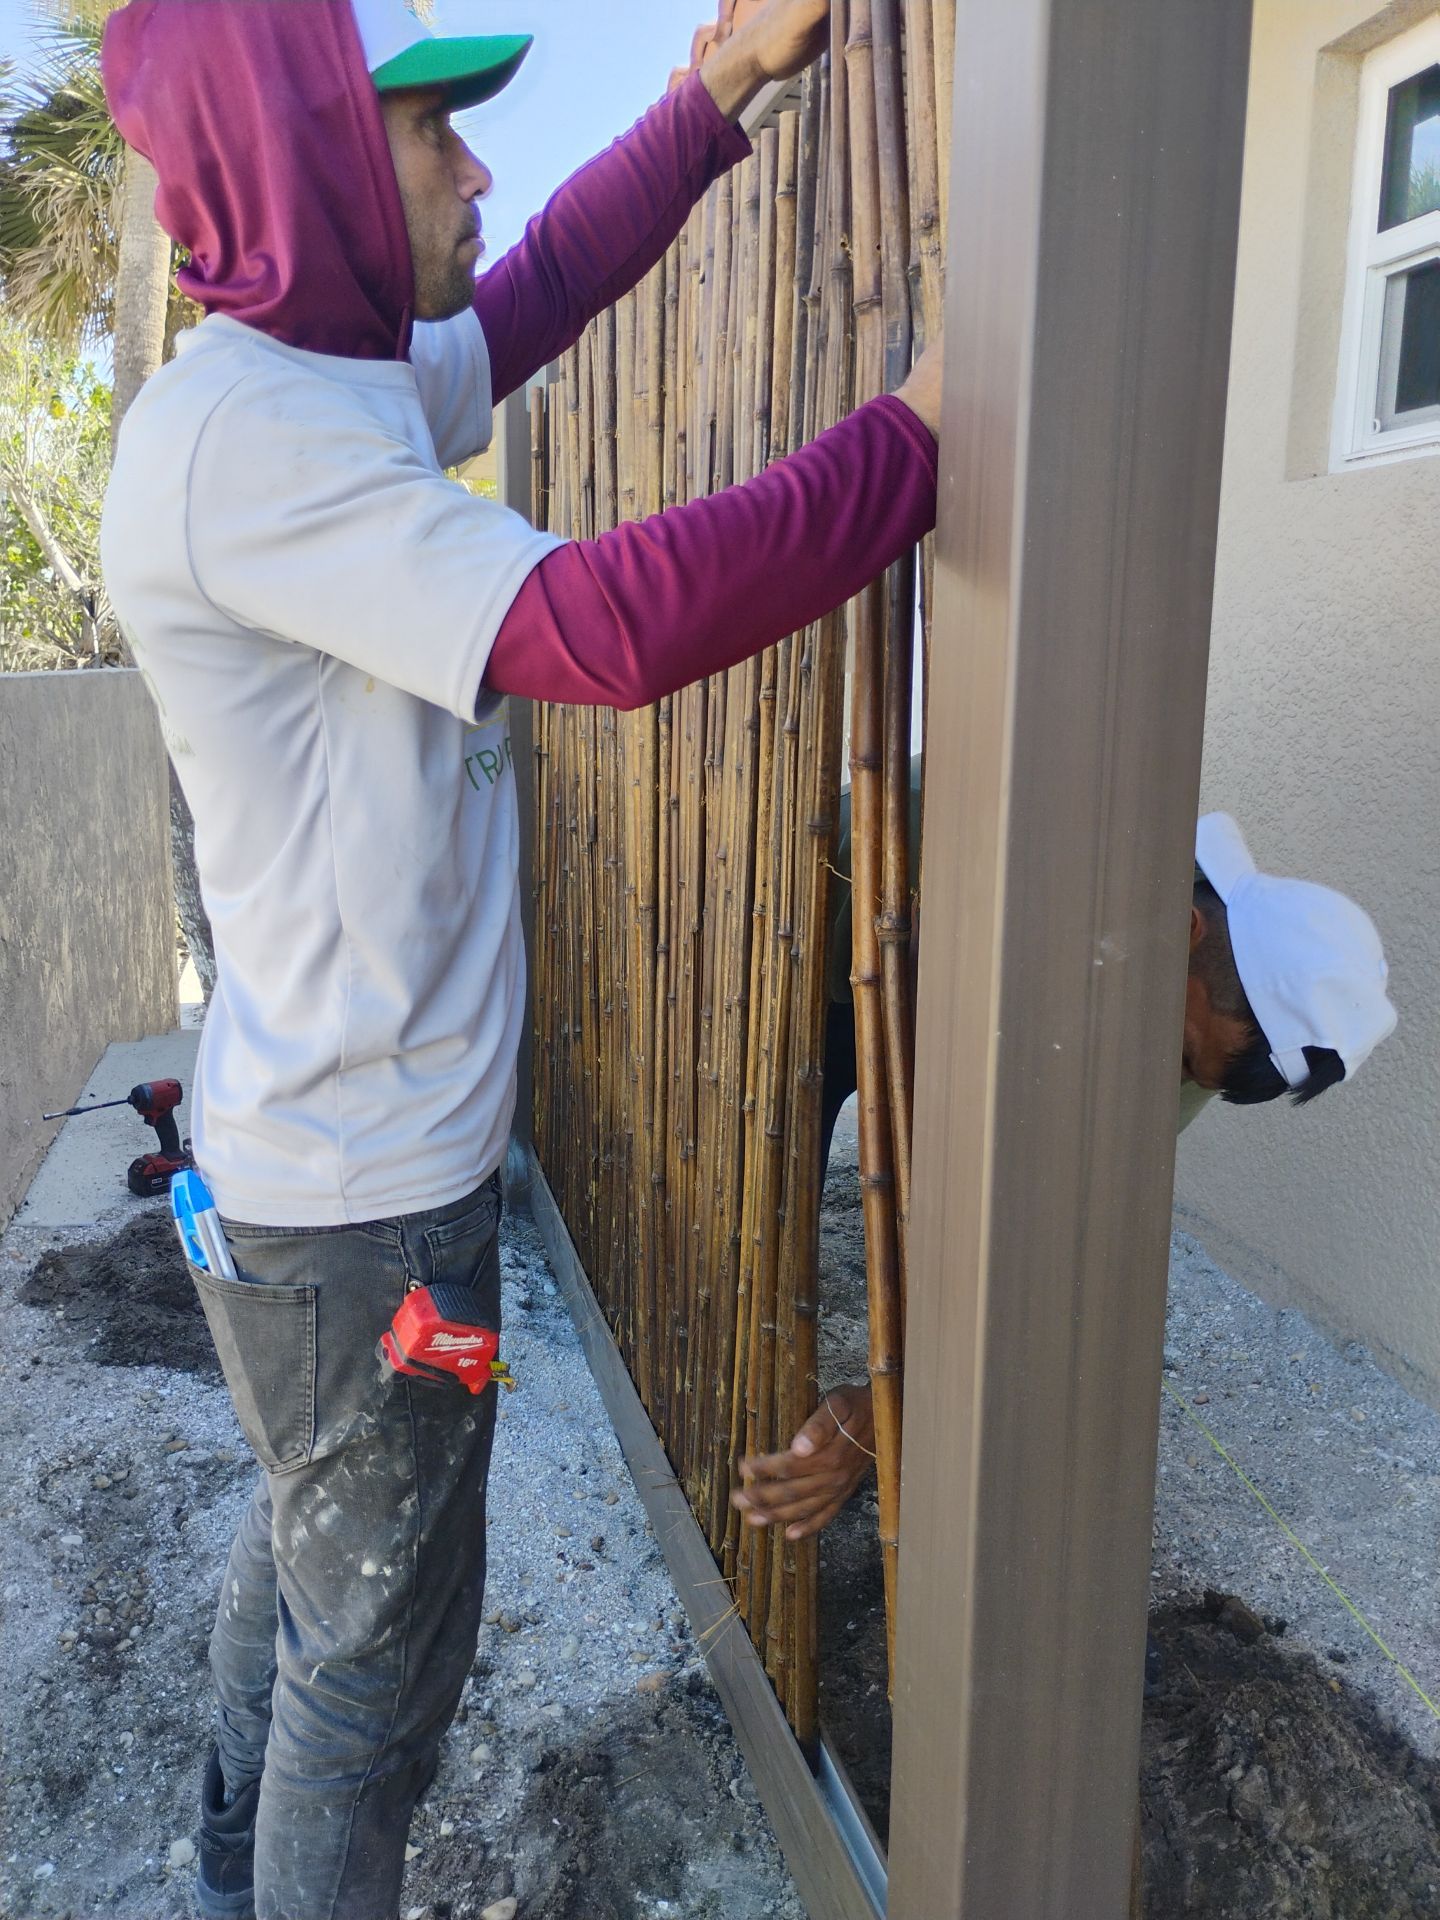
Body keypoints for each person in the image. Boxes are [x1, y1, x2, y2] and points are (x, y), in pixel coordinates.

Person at [98, 2, 943, 1914]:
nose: (479, 171)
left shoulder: (323, 378)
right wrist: (919, 445)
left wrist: (720, 84)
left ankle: (229, 1872)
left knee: (321, 1553)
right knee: (378, 1676)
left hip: (321, 1190)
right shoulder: (247, 445)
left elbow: (541, 287)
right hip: (367, 1225)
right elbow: (607, 625)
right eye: (426, 139)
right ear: (310, 161)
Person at [734, 808, 1397, 1541]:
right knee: (769, 1183)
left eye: (1194, 1078)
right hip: (819, 946)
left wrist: (896, 1398)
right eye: (1182, 1054)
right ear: (1182, 935)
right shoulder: (990, 842)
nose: (1172, 1079)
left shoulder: (1189, 1042)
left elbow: (1044, 1226)